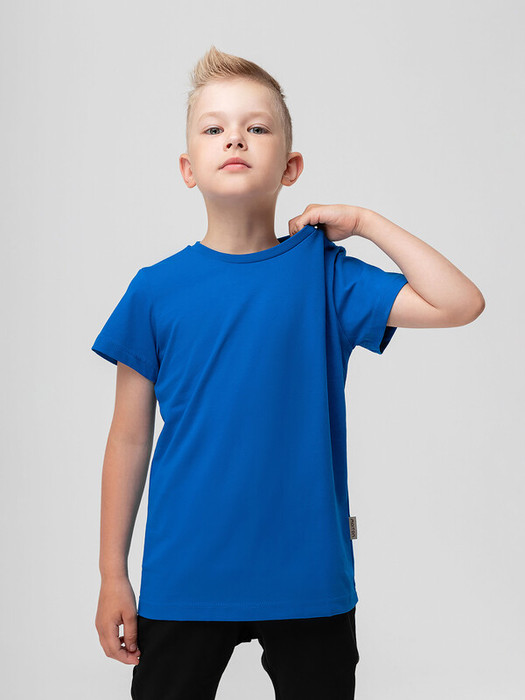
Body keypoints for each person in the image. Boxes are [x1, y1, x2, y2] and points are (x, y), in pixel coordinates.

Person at [91, 45, 485, 700]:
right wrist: (112, 574)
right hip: (186, 576)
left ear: (290, 166)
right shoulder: (155, 290)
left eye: (256, 126)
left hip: (307, 578)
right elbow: (128, 438)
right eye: (213, 128)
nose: (234, 138)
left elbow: (459, 303)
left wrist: (365, 223)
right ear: (188, 168)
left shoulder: (325, 275)